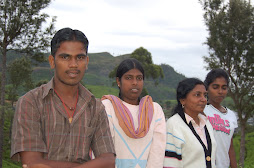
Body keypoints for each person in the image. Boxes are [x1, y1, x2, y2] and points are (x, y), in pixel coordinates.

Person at [11, 28, 115, 168]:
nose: (73, 64)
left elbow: (108, 161)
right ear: (52, 61)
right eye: (65, 57)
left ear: (87, 61)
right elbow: (32, 162)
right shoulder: (31, 102)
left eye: (80, 57)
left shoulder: (95, 107)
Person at [101, 58, 166, 168]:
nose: (135, 83)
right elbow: (105, 150)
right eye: (128, 78)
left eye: (139, 78)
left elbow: (157, 153)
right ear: (118, 81)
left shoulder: (154, 109)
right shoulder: (108, 107)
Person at [163, 78, 216, 168]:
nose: (203, 99)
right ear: (182, 100)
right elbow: (170, 163)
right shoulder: (174, 125)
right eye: (197, 95)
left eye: (205, 95)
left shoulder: (206, 123)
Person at [204, 69, 238, 168]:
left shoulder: (231, 115)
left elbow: (229, 147)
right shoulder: (201, 111)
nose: (220, 91)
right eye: (215, 87)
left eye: (224, 88)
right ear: (207, 88)